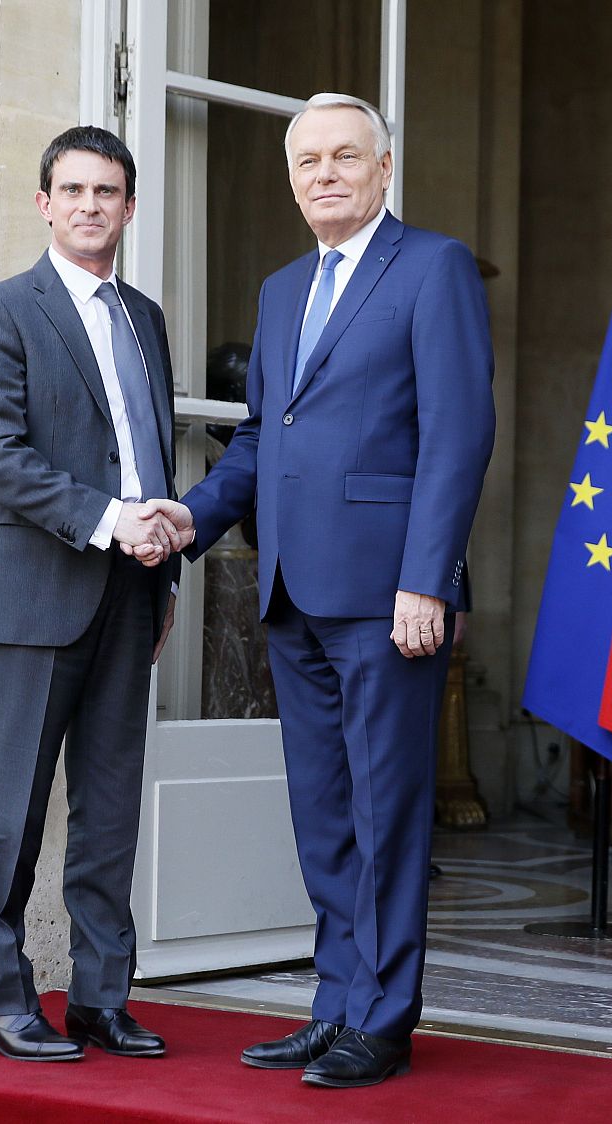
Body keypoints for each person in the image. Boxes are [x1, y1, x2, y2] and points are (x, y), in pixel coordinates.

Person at [149, 92, 496, 1088]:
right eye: (307, 161)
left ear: (383, 168)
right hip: (294, 587)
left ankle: (383, 1017)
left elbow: (458, 432)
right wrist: (193, 515)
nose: (324, 174)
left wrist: (427, 578)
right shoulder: (280, 288)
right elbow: (263, 435)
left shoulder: (430, 267)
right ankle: (336, 1000)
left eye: (345, 156)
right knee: (324, 811)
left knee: (388, 809)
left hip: (389, 594)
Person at [0, 125, 182, 1063]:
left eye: (109, 192)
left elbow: (150, 452)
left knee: (111, 803)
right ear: (45, 203)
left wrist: (161, 569)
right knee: (14, 807)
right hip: (39, 589)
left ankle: (99, 996)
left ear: (130, 207)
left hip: (133, 593)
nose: (91, 206)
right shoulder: (0, 310)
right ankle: (1, 1000)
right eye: (74, 190)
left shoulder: (148, 318)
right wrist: (107, 519)